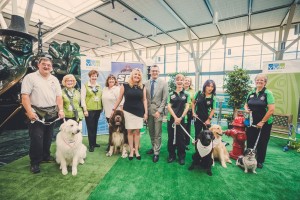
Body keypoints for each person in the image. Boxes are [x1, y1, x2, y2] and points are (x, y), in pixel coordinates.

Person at [21, 55, 64, 174]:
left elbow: (59, 97)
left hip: (52, 112)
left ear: (51, 67)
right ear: (38, 65)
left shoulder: (54, 79)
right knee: (36, 138)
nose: (46, 66)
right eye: (43, 64)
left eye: (49, 65)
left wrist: (60, 110)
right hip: (36, 111)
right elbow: (25, 97)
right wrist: (30, 112)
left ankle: (46, 156)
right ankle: (35, 162)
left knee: (49, 136)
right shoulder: (30, 77)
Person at [112, 68, 148, 161]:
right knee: (129, 132)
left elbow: (144, 100)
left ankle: (136, 151)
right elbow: (119, 98)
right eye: (135, 74)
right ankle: (131, 151)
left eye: (139, 75)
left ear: (140, 77)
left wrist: (146, 112)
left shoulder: (142, 86)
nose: (137, 76)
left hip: (139, 112)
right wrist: (114, 109)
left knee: (137, 132)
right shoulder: (125, 85)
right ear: (132, 75)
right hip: (127, 111)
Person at [244, 73, 275, 169]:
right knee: (250, 140)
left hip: (264, 123)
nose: (259, 81)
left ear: (265, 82)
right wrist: (246, 109)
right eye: (257, 80)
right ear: (255, 81)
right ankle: (249, 158)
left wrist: (262, 122)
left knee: (262, 142)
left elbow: (271, 109)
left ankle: (260, 160)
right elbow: (246, 103)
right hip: (252, 122)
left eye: (262, 80)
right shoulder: (251, 92)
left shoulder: (267, 93)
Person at [145, 65, 168, 163]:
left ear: (159, 72)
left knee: (157, 133)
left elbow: (165, 99)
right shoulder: (145, 83)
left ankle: (156, 153)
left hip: (158, 112)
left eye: (156, 71)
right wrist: (145, 112)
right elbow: (144, 99)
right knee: (151, 131)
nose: (154, 72)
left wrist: (159, 111)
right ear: (150, 72)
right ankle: (154, 146)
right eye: (153, 71)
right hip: (149, 111)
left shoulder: (164, 83)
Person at [167, 74, 190, 165]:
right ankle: (171, 155)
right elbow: (169, 106)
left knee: (181, 139)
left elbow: (187, 106)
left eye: (182, 80)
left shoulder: (186, 94)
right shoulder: (171, 94)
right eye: (178, 80)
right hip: (172, 120)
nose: (180, 81)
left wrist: (180, 118)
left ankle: (181, 156)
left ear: (184, 82)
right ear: (175, 82)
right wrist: (175, 118)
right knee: (171, 137)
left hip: (182, 120)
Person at [81, 70, 103, 152]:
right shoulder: (85, 85)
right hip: (89, 110)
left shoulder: (99, 86)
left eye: (95, 76)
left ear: (97, 77)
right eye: (92, 76)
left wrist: (101, 108)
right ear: (89, 76)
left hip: (97, 110)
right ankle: (91, 145)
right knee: (90, 128)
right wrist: (85, 109)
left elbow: (100, 97)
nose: (94, 77)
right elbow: (82, 98)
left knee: (95, 126)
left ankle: (94, 142)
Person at [102, 74, 124, 152]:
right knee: (111, 130)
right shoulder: (105, 89)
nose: (111, 81)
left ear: (115, 81)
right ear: (107, 81)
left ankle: (118, 146)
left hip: (115, 113)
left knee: (117, 131)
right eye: (109, 79)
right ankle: (111, 144)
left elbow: (121, 100)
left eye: (113, 79)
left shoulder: (117, 89)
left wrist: (121, 111)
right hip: (107, 113)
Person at [183, 76, 195, 150]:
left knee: (187, 127)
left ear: (190, 83)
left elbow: (194, 102)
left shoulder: (192, 91)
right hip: (180, 111)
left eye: (189, 81)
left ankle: (186, 144)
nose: (187, 82)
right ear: (183, 81)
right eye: (186, 80)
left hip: (189, 111)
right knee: (181, 127)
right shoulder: (180, 89)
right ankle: (180, 142)